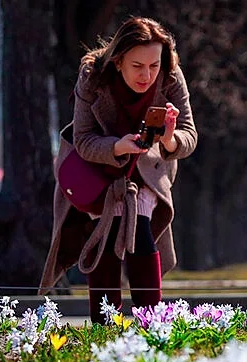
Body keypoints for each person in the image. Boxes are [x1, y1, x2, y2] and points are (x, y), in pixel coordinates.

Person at [38, 17, 197, 324]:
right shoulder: (92, 76)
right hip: (98, 171)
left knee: (138, 228)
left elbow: (189, 135)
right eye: (137, 65)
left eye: (154, 65)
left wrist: (169, 138)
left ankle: (150, 325)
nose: (147, 75)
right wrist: (117, 147)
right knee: (106, 235)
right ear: (118, 59)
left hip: (148, 170)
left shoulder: (171, 74)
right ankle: (106, 326)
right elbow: (82, 139)